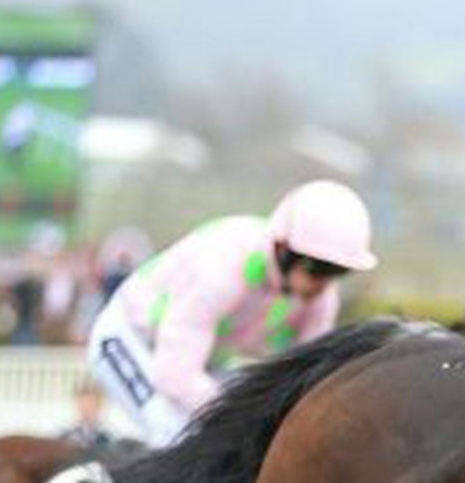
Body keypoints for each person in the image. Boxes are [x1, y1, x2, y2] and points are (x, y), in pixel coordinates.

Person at [85, 180, 378, 447]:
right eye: (320, 269)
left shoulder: (320, 296)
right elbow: (175, 375)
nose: (325, 284)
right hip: (129, 338)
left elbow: (308, 379)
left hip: (204, 361)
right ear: (283, 249)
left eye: (339, 272)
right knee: (173, 429)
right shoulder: (224, 265)